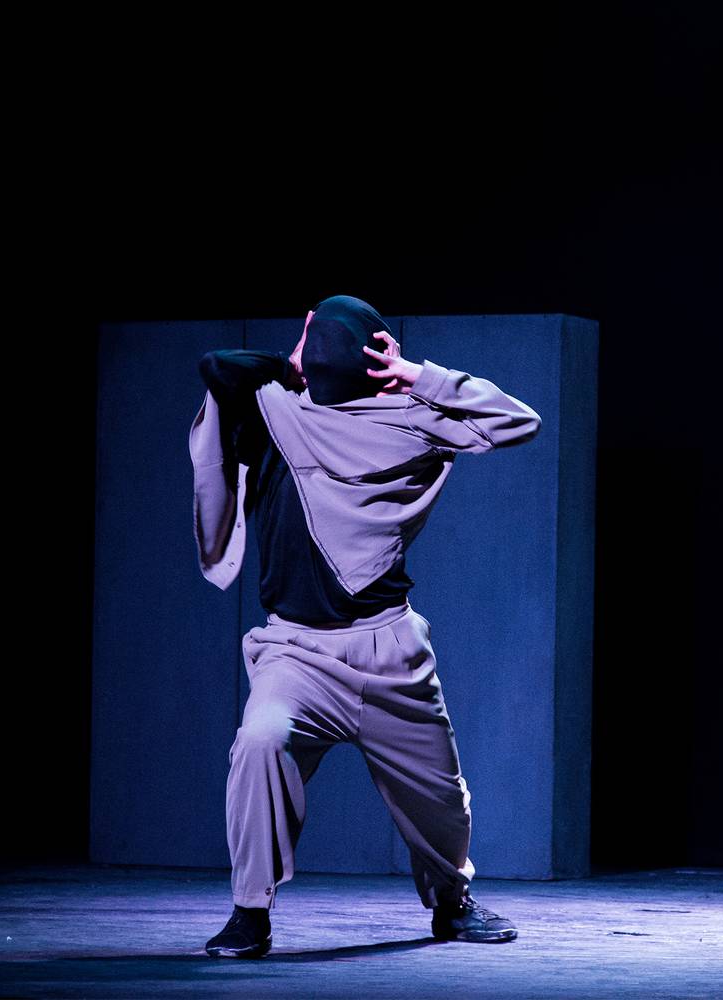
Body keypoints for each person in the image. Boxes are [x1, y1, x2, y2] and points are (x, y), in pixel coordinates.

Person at [189, 294, 541, 958]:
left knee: (440, 799)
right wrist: (291, 363)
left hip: (389, 651)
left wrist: (419, 376)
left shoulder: (411, 418)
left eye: (318, 341)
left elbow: (518, 420)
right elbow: (220, 365)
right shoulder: (279, 407)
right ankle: (250, 912)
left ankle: (452, 902)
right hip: (297, 653)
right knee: (260, 742)